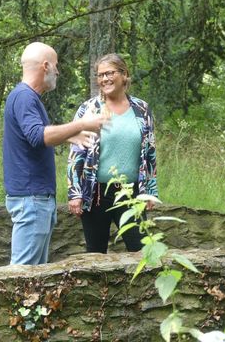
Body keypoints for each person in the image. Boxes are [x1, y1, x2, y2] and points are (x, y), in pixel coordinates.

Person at [3, 42, 108, 265]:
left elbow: (33, 137)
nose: (58, 71)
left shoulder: (28, 97)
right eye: (56, 66)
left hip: (36, 199)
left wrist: (71, 136)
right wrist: (81, 124)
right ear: (46, 66)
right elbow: (37, 136)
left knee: (35, 277)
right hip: (31, 199)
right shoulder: (24, 97)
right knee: (21, 277)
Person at [67, 53, 158, 253]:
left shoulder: (141, 109)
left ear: (124, 75)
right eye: (100, 75)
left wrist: (150, 190)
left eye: (110, 73)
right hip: (96, 194)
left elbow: (149, 153)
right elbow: (76, 153)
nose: (104, 79)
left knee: (141, 252)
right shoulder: (89, 109)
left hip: (131, 193)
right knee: (95, 255)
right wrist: (75, 192)